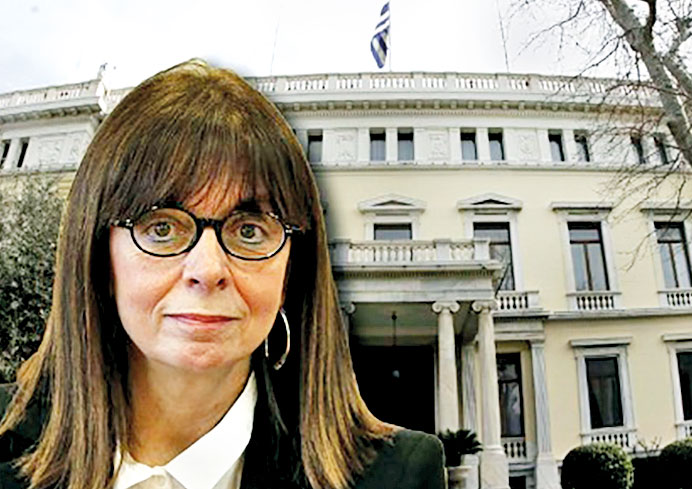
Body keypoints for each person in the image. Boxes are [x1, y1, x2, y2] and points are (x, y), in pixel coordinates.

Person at [0, 59, 446, 489]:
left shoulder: (397, 475)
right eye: (161, 228)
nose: (208, 270)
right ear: (99, 255)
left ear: (290, 271)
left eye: (249, 230)